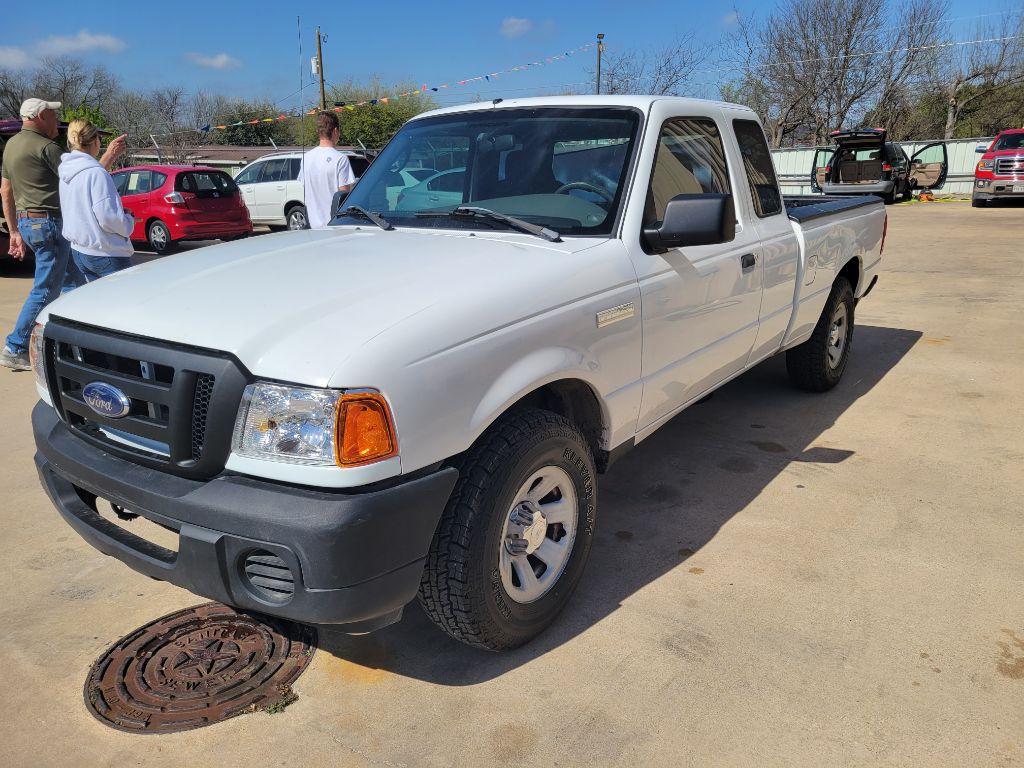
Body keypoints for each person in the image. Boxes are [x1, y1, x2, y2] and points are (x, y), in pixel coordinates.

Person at [0, 98, 126, 371]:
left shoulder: (11, 145)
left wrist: (13, 231)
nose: (57, 121)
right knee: (47, 288)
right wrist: (108, 157)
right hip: (50, 224)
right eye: (54, 115)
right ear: (41, 115)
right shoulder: (46, 147)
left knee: (72, 285)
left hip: (27, 222)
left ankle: (75, 345)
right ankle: (16, 345)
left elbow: (6, 191)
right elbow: (83, 177)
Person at [58, 119, 134, 282]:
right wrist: (128, 221)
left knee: (101, 303)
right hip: (106, 252)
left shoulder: (66, 171)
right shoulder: (97, 173)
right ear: (94, 141)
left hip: (80, 251)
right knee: (123, 303)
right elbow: (109, 218)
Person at [298, 111, 355, 229]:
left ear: (318, 132)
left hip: (313, 228)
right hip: (335, 227)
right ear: (335, 131)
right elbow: (343, 197)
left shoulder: (306, 158)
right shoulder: (341, 159)